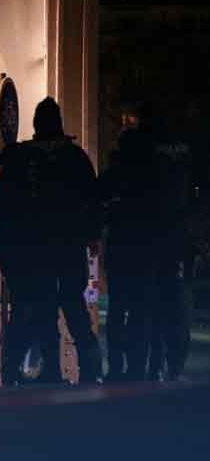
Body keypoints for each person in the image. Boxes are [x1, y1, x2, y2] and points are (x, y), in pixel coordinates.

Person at [0, 98, 102, 385]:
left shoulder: (21, 159)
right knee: (74, 309)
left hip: (32, 249)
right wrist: (92, 237)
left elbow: (4, 209)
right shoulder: (75, 158)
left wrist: (7, 253)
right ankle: (89, 371)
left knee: (36, 310)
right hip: (67, 246)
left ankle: (35, 370)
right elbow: (92, 201)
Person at [98, 126, 158, 382]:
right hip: (143, 252)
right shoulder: (150, 176)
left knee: (118, 310)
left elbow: (98, 204)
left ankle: (116, 365)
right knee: (139, 311)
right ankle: (136, 365)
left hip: (120, 251)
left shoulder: (114, 174)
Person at [139, 108, 195, 382]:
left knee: (154, 307)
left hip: (153, 239)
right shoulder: (187, 152)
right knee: (177, 309)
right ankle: (172, 365)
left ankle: (153, 364)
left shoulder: (146, 150)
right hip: (179, 241)